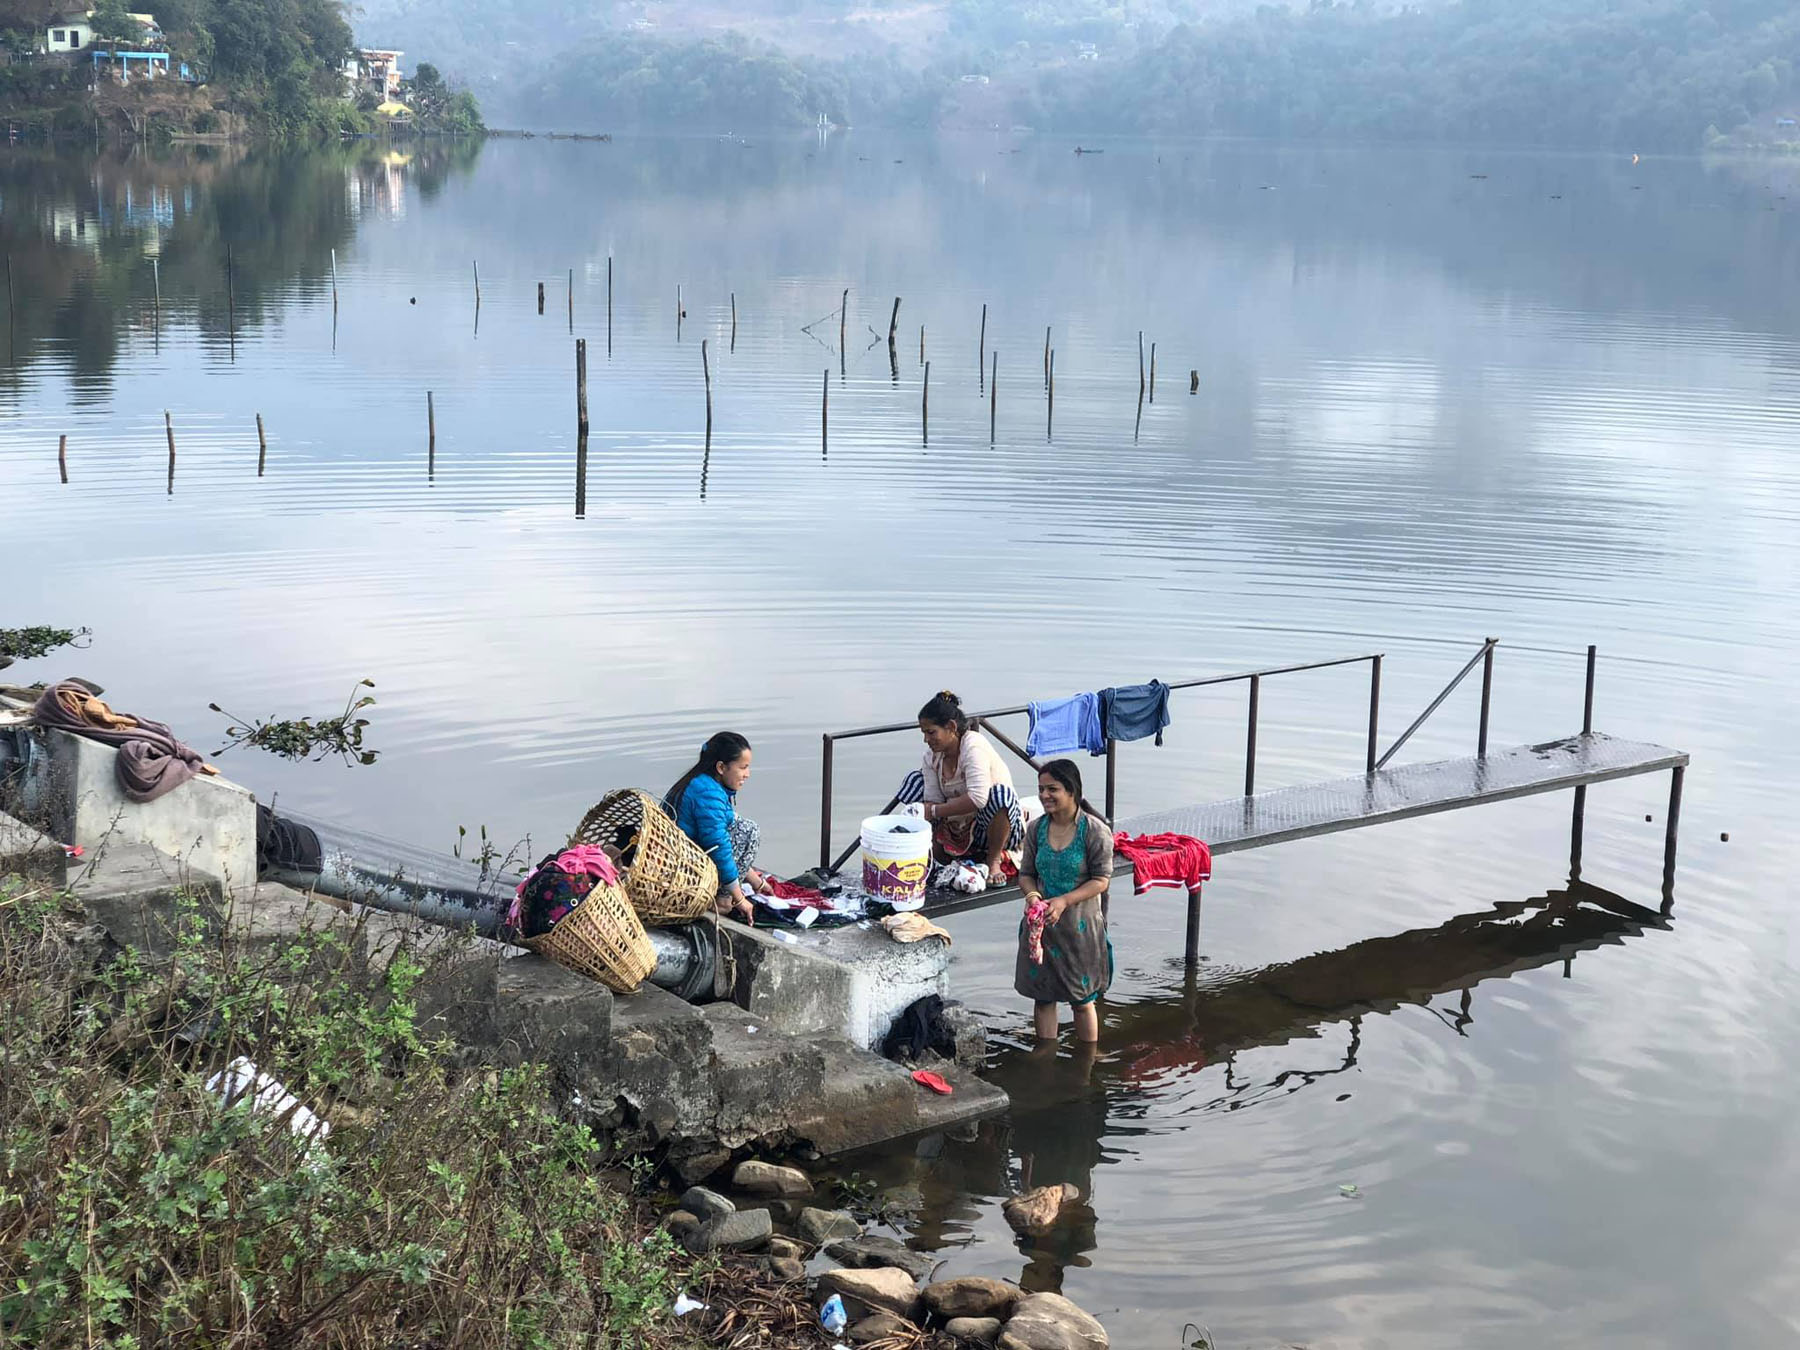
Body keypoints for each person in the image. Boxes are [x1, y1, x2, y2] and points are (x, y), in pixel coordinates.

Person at [1014, 758, 1114, 1042]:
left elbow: (1101, 880)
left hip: (1079, 928)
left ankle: (1087, 1063)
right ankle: (1046, 1056)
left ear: (1072, 791)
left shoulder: (1094, 831)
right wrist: (1033, 896)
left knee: (1082, 1002)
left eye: (1052, 789)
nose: (1044, 796)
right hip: (1042, 928)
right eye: (1041, 789)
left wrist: (1063, 901)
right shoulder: (1036, 829)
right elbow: (1026, 874)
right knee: (1043, 998)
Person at [897, 690, 1023, 889]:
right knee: (914, 782)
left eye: (931, 732)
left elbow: (979, 798)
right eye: (924, 733)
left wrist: (932, 811)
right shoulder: (931, 757)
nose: (926, 739)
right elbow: (933, 797)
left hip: (991, 827)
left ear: (951, 727)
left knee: (1001, 795)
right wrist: (919, 812)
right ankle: (932, 858)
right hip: (957, 828)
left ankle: (994, 860)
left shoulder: (973, 746)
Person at [665, 731, 768, 922]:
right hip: (684, 867)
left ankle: (727, 891)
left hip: (684, 855)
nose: (747, 774)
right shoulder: (708, 793)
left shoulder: (702, 782)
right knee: (749, 830)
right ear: (721, 767)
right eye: (743, 767)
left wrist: (757, 883)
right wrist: (739, 898)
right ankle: (722, 900)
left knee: (738, 825)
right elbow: (718, 847)